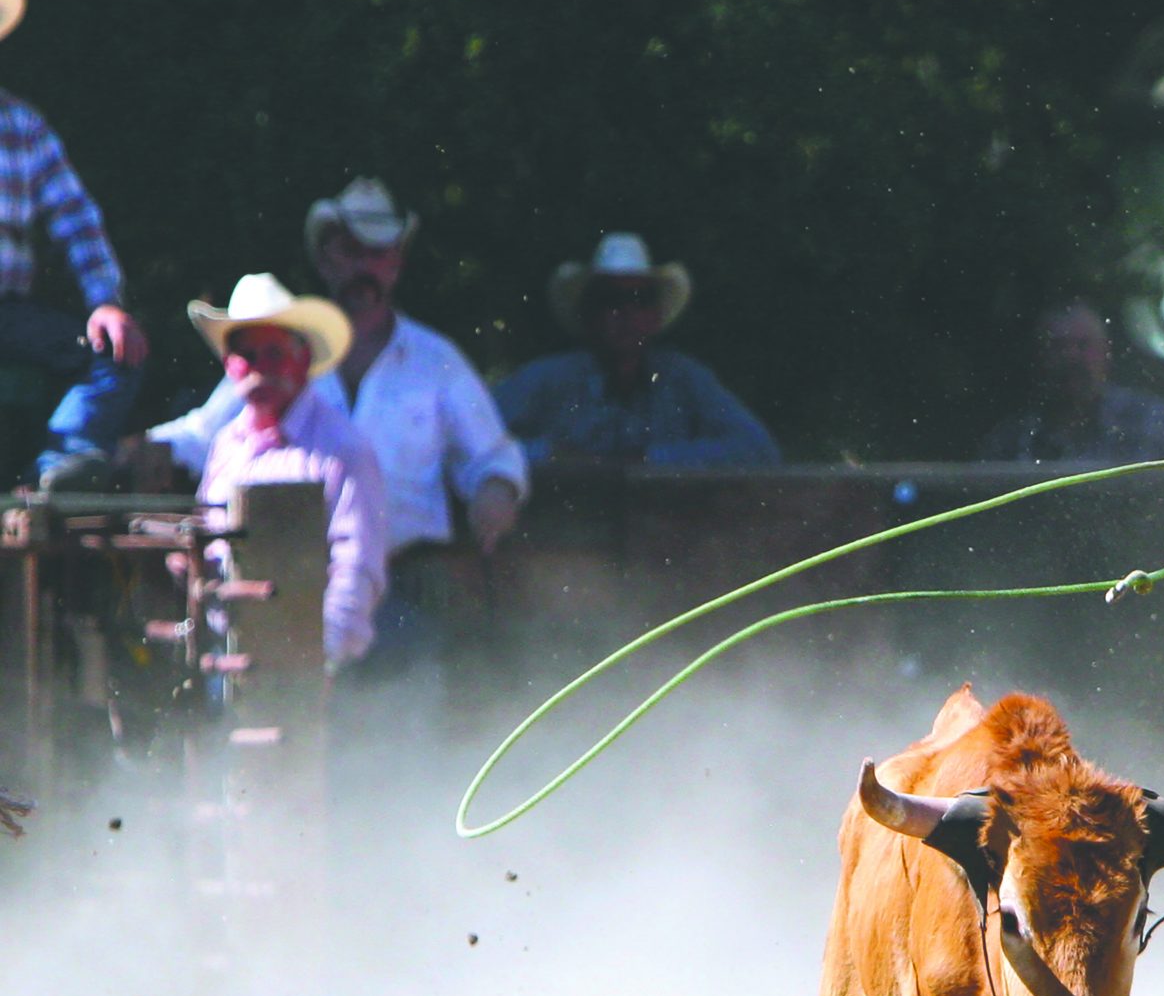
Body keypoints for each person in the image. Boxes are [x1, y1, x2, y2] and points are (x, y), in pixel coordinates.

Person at [152, 177, 527, 668]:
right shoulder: (274, 355)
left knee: (392, 724)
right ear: (327, 258)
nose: (366, 267)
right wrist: (142, 447)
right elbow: (206, 433)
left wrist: (496, 487)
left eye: (379, 253)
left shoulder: (436, 361)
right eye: (352, 251)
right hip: (278, 593)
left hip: (406, 588)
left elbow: (493, 456)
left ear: (396, 262)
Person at [186, 273, 386, 669]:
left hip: (315, 663)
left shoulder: (342, 449)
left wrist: (322, 657)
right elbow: (209, 539)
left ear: (304, 359)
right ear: (230, 366)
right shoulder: (227, 445)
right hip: (229, 657)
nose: (259, 368)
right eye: (247, 356)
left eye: (274, 353)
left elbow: (357, 564)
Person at [0, 0, 149, 488]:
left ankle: (60, 468)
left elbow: (77, 221)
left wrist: (106, 302)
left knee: (116, 351)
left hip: (9, 314)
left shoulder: (21, 125)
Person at [494, 232, 779, 469]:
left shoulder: (684, 378)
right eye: (611, 299)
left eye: (640, 299)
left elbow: (757, 448)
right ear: (589, 313)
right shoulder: (546, 380)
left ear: (656, 314)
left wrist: (648, 459)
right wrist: (553, 454)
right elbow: (472, 442)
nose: (627, 312)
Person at [978, 303, 1164, 464]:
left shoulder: (1161, 425)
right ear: (1038, 356)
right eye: (1058, 346)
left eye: (1083, 345)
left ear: (1106, 352)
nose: (1071, 357)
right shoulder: (1011, 441)